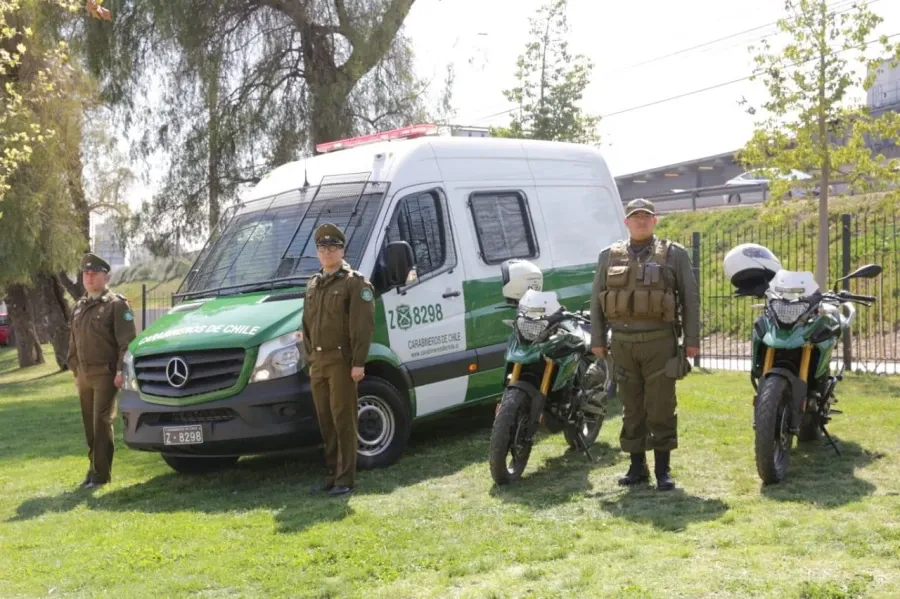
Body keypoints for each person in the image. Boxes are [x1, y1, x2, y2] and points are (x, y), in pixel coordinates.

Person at [590, 198, 699, 491]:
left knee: (661, 406)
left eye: (646, 217)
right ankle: (637, 467)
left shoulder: (675, 255)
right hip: (622, 345)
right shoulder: (608, 256)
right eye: (635, 217)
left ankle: (663, 469)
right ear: (626, 222)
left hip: (659, 343)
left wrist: (691, 340)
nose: (640, 221)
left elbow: (689, 299)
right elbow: (596, 300)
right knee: (631, 408)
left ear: (655, 221)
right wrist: (598, 339)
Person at [302, 223, 375, 497]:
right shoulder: (314, 283)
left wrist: (358, 362)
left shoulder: (354, 283)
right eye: (322, 247)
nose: (327, 252)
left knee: (343, 419)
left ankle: (345, 479)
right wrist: (310, 358)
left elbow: (362, 326)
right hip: (318, 363)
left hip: (342, 361)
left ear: (342, 250)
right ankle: (332, 474)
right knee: (325, 420)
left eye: (332, 247)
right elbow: (306, 324)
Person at [66, 253, 136, 490]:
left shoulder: (117, 305)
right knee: (89, 424)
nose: (89, 277)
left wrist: (120, 372)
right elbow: (73, 341)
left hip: (106, 374)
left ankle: (100, 475)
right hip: (84, 375)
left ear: (105, 276)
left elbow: (126, 343)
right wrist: (75, 370)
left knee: (101, 422)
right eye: (86, 273)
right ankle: (93, 469)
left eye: (94, 273)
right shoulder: (79, 306)